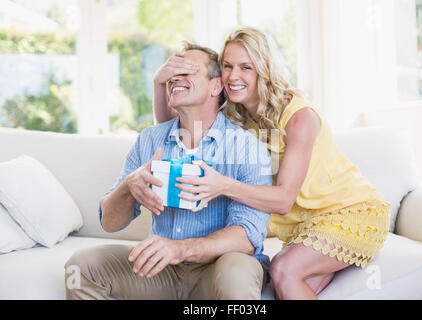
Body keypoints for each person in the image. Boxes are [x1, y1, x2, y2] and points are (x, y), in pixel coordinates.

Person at [153, 27, 390, 300]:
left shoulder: (299, 117)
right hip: (307, 226)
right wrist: (160, 83)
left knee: (283, 270)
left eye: (246, 67)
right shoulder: (233, 111)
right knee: (282, 291)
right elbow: (170, 124)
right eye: (227, 66)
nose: (233, 76)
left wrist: (223, 185)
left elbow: (284, 200)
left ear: (263, 70)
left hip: (352, 213)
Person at [64, 42, 273, 300]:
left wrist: (181, 249)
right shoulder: (150, 140)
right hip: (162, 271)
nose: (176, 78)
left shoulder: (246, 146)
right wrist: (128, 187)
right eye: (174, 72)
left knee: (236, 270)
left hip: (217, 269)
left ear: (216, 86)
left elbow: (247, 236)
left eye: (187, 72)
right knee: (81, 266)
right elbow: (109, 221)